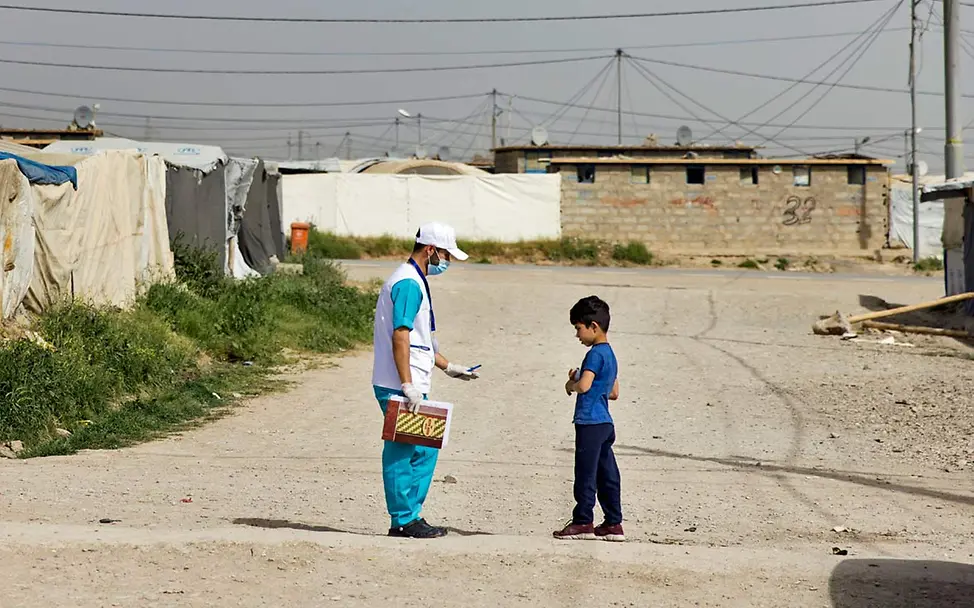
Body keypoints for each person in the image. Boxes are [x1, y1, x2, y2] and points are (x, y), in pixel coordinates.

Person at [371, 222, 480, 539]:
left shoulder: (415, 280)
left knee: (425, 447)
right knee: (403, 450)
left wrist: (449, 366)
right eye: (445, 254)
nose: (447, 262)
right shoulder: (408, 284)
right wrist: (406, 385)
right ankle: (403, 520)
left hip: (412, 382)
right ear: (431, 250)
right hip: (399, 383)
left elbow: (420, 340)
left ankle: (410, 515)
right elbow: (401, 335)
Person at [554, 295, 624, 542]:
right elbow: (614, 393)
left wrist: (571, 383)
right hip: (606, 422)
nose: (577, 335)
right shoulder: (611, 355)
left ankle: (583, 521)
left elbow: (584, 386)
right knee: (607, 474)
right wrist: (583, 376)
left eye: (578, 328)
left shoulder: (594, 354)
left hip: (590, 422)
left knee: (585, 473)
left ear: (593, 326)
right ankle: (613, 523)